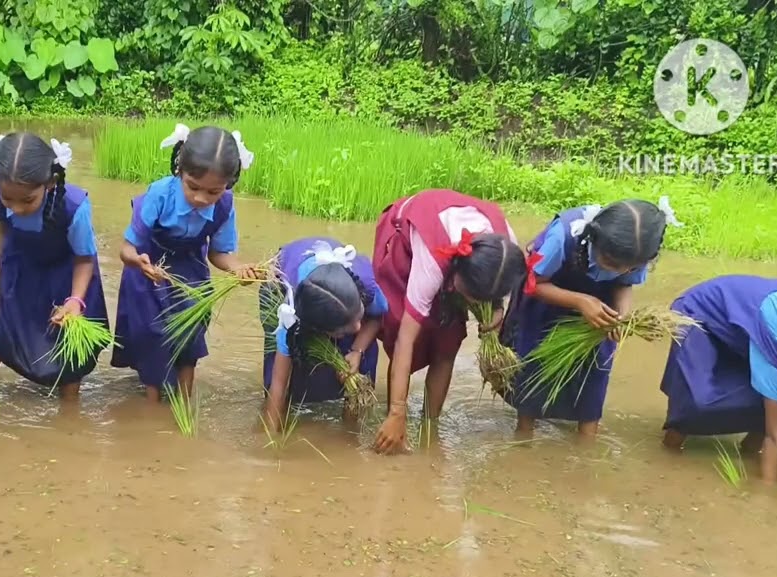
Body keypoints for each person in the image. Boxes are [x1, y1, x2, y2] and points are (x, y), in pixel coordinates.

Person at [503, 198, 680, 438]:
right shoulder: (563, 237)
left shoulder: (636, 252)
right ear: (593, 239)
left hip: (598, 315)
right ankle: (524, 433)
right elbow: (535, 285)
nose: (617, 271)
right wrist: (581, 301)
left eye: (627, 268)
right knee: (535, 365)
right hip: (545, 305)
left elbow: (624, 285)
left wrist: (621, 316)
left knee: (595, 370)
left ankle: (587, 443)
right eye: (610, 263)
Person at [111, 123, 262, 400]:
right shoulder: (159, 195)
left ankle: (184, 400)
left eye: (213, 192)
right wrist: (140, 262)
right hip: (148, 269)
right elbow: (126, 249)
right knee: (154, 335)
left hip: (191, 273)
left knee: (191, 332)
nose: (201, 198)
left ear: (228, 185)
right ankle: (153, 404)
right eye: (193, 187)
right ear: (179, 170)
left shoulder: (225, 206)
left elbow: (219, 254)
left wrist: (238, 268)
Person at [371, 189, 525, 453]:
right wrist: (398, 412)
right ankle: (393, 422)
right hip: (405, 245)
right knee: (400, 325)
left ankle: (431, 425)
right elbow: (405, 340)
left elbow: (503, 292)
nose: (476, 306)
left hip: (464, 266)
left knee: (448, 339)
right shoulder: (432, 261)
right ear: (454, 272)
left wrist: (497, 310)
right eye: (471, 298)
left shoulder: (506, 255)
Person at [0, 132, 109, 399]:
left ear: (49, 183)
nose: (17, 208)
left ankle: (69, 415)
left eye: (27, 200)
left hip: (66, 277)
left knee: (68, 343)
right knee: (0, 334)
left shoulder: (73, 207)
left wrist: (75, 301)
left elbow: (84, 258)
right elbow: (1, 223)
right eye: (9, 199)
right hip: (21, 270)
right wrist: (1, 258)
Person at [661, 275, 777, 484]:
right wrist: (766, 497)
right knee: (696, 403)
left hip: (746, 326)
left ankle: (750, 451)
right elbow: (775, 437)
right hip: (700, 315)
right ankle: (668, 454)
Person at [261, 237, 388, 431]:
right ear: (319, 329)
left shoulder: (363, 286)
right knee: (293, 374)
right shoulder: (291, 316)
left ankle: (350, 431)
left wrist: (357, 350)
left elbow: (375, 317)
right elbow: (278, 386)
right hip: (279, 284)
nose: (356, 327)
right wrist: (269, 439)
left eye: (359, 316)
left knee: (358, 365)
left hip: (337, 295)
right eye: (345, 329)